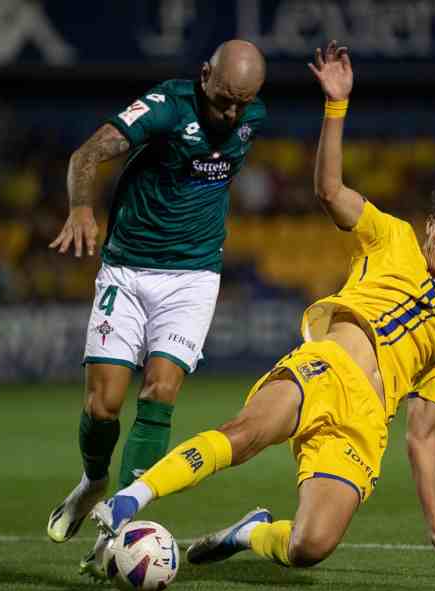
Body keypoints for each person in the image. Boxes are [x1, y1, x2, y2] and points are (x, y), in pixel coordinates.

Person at [87, 41, 435, 577]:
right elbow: (329, 190)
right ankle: (130, 500)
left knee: (311, 546)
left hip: (364, 425)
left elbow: (422, 433)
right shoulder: (391, 238)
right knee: (244, 435)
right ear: (431, 225)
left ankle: (248, 533)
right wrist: (337, 106)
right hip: (324, 369)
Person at [46, 40, 268, 549]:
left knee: (160, 391)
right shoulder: (167, 106)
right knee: (103, 406)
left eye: (243, 103)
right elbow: (88, 153)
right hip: (126, 271)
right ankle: (93, 481)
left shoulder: (252, 113)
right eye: (223, 100)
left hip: (192, 278)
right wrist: (82, 208)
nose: (232, 114)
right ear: (204, 73)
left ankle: (120, 523)